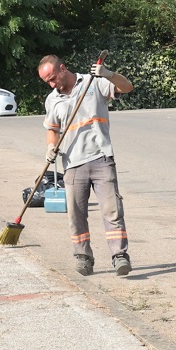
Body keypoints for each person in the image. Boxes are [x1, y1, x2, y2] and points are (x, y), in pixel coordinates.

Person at [38, 53, 135, 276]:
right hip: (72, 164)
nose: (52, 84)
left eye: (53, 78)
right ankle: (83, 257)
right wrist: (51, 147)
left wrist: (108, 74)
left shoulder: (94, 82)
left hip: (101, 157)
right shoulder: (52, 100)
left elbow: (127, 87)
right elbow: (52, 129)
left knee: (112, 211)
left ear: (63, 68)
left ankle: (120, 256)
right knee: (76, 214)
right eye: (48, 82)